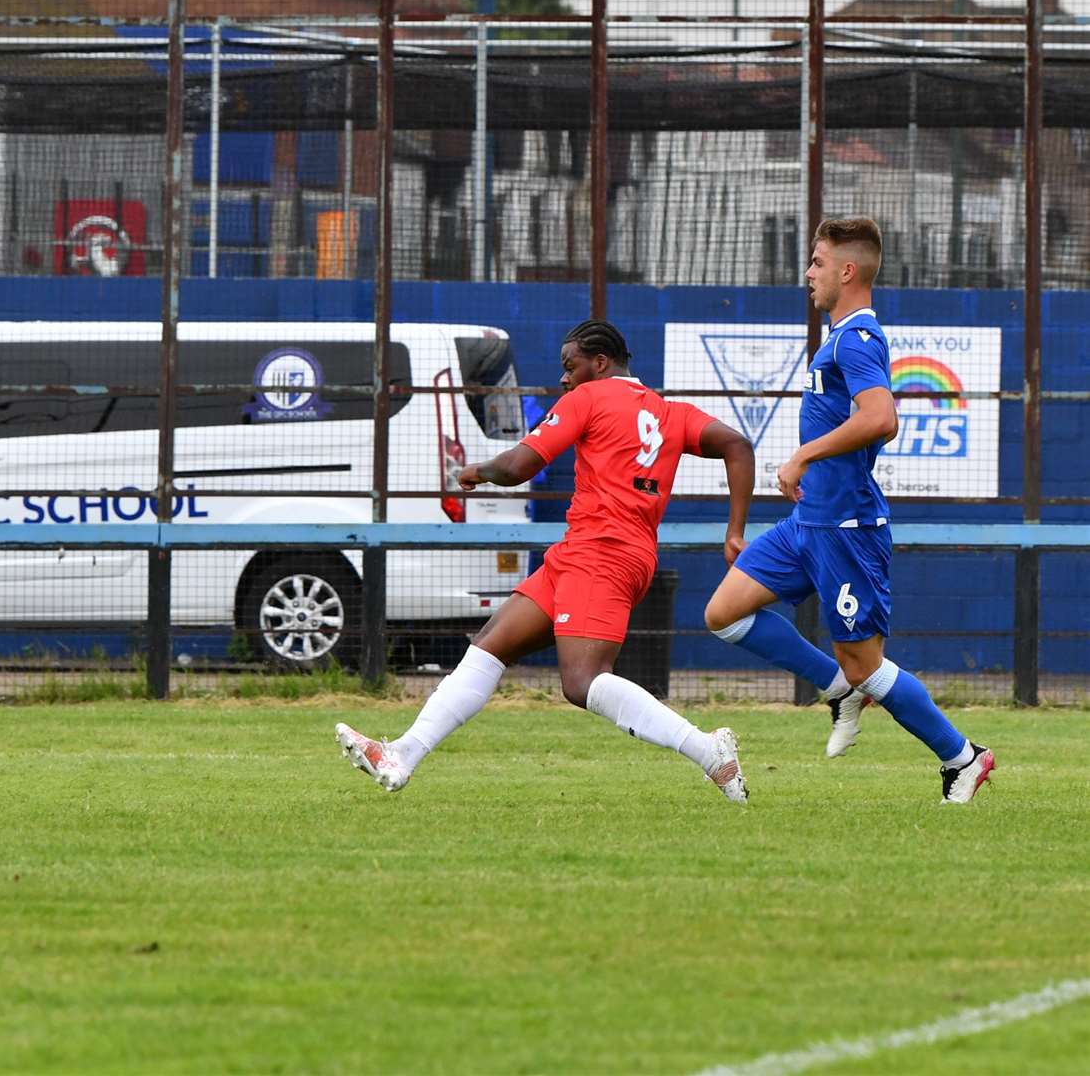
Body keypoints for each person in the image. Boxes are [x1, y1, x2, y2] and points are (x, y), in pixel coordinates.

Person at [336, 319, 756, 801]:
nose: (564, 379)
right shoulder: (669, 412)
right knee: (490, 646)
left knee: (582, 683)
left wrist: (474, 470)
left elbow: (518, 467)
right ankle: (402, 755)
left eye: (570, 366)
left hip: (602, 552)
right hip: (596, 551)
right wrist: (735, 530)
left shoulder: (589, 397)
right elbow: (737, 446)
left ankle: (710, 753)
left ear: (600, 363)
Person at [701, 217, 994, 804]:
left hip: (845, 531)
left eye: (817, 262)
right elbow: (865, 425)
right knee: (724, 613)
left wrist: (802, 455)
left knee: (868, 665)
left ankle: (963, 757)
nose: (809, 273)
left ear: (847, 270)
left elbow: (881, 417)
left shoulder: (860, 338)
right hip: (806, 525)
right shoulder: (836, 339)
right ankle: (838, 690)